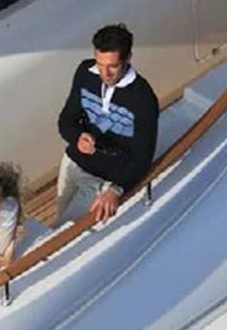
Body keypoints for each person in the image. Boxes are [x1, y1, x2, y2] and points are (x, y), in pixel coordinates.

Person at [56, 23, 159, 225]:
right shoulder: (85, 72)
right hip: (71, 162)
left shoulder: (143, 99)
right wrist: (77, 138)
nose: (105, 73)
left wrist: (116, 189)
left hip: (101, 178)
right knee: (59, 216)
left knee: (63, 230)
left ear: (127, 58)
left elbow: (142, 157)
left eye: (112, 66)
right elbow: (66, 120)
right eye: (100, 64)